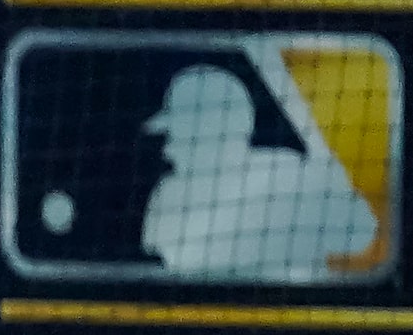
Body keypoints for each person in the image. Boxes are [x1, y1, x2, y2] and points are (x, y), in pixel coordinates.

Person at [141, 62, 376, 281]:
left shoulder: (288, 174)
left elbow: (361, 236)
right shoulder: (170, 193)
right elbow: (163, 272)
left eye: (177, 135)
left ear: (210, 131)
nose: (167, 148)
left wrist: (335, 191)